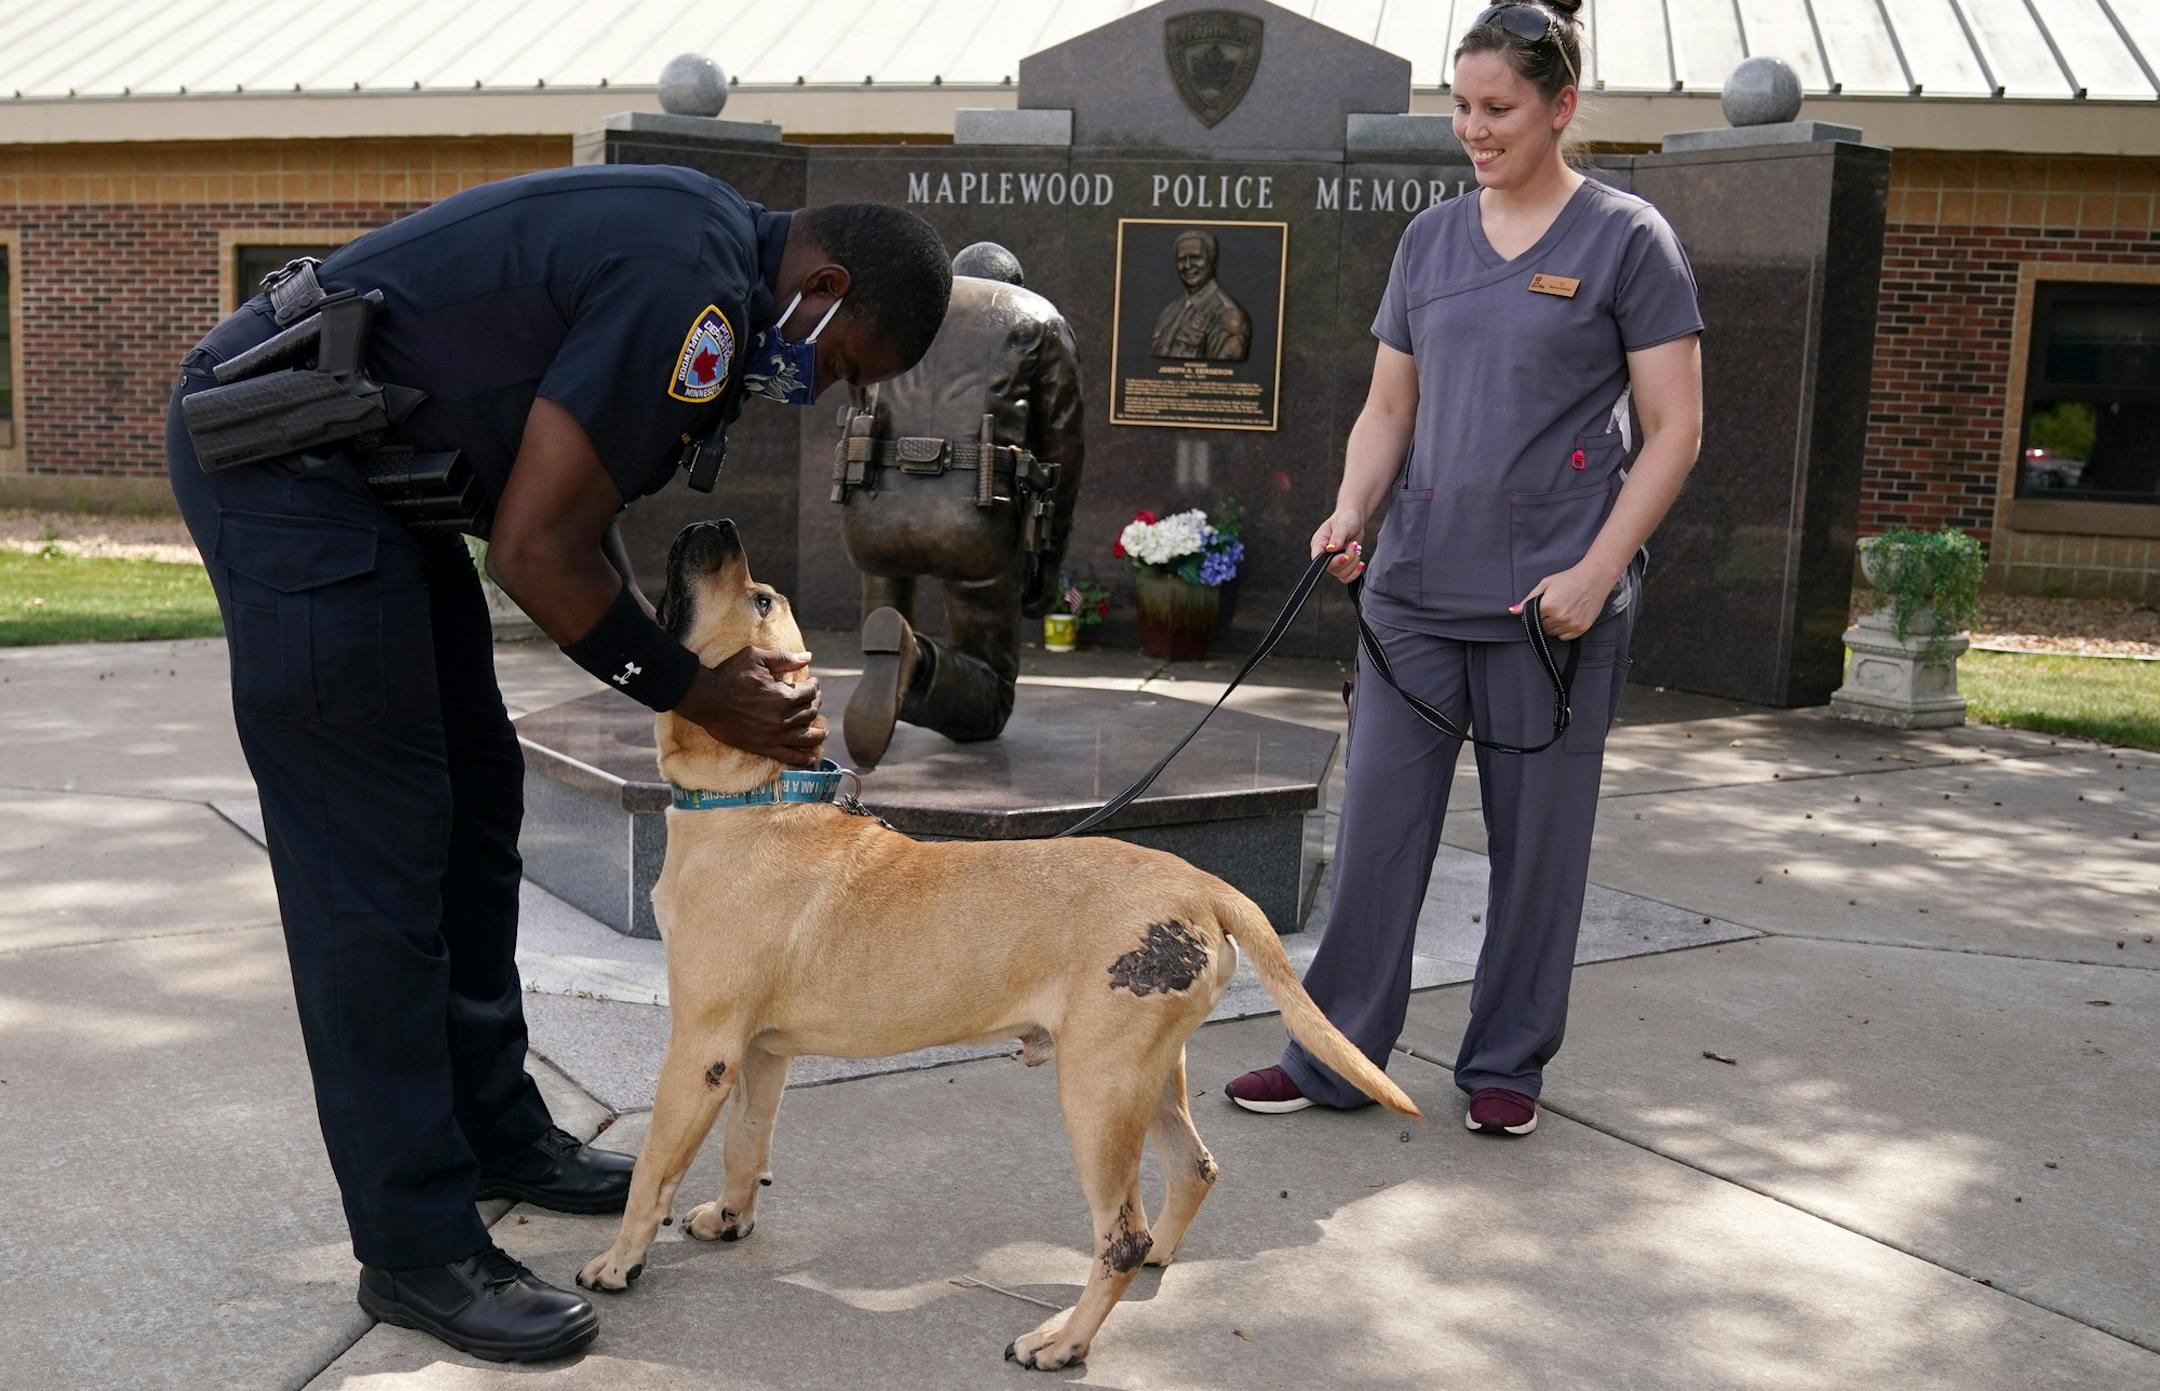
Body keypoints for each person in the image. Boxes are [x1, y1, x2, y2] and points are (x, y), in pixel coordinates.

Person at [164, 164, 951, 1362]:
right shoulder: (690, 292)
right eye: (845, 362)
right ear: (825, 288)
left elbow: (568, 530)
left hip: (377, 480)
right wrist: (701, 693)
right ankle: (417, 1245)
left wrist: (695, 682)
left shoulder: (711, 269)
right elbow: (534, 552)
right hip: (289, 468)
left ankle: (496, 1133)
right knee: (371, 877)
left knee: (476, 804)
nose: (823, 389)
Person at [1224, 1, 1704, 1135]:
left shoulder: (1629, 241)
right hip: (1413, 593)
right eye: (1462, 107)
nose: (1474, 130)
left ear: (1561, 109)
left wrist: (1596, 571)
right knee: (1380, 830)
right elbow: (1391, 404)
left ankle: (1506, 1062)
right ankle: (1333, 1053)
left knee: (1538, 848)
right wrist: (1350, 510)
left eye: (1499, 109)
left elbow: (1674, 428)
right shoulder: (1429, 242)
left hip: (1554, 608)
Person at [835, 242, 1085, 768]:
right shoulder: (1037, 316)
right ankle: (916, 663)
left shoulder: (899, 308)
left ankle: (886, 656)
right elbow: (1062, 449)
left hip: (875, 514)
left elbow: (859, 400)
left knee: (885, 594)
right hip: (975, 517)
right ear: (1014, 283)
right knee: (990, 696)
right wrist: (1046, 558)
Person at [1148, 228, 1252, 361]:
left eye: (1195, 258)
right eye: (1181, 260)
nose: (1187, 266)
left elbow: (1221, 375)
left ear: (1212, 260)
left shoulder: (1227, 315)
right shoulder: (1168, 312)